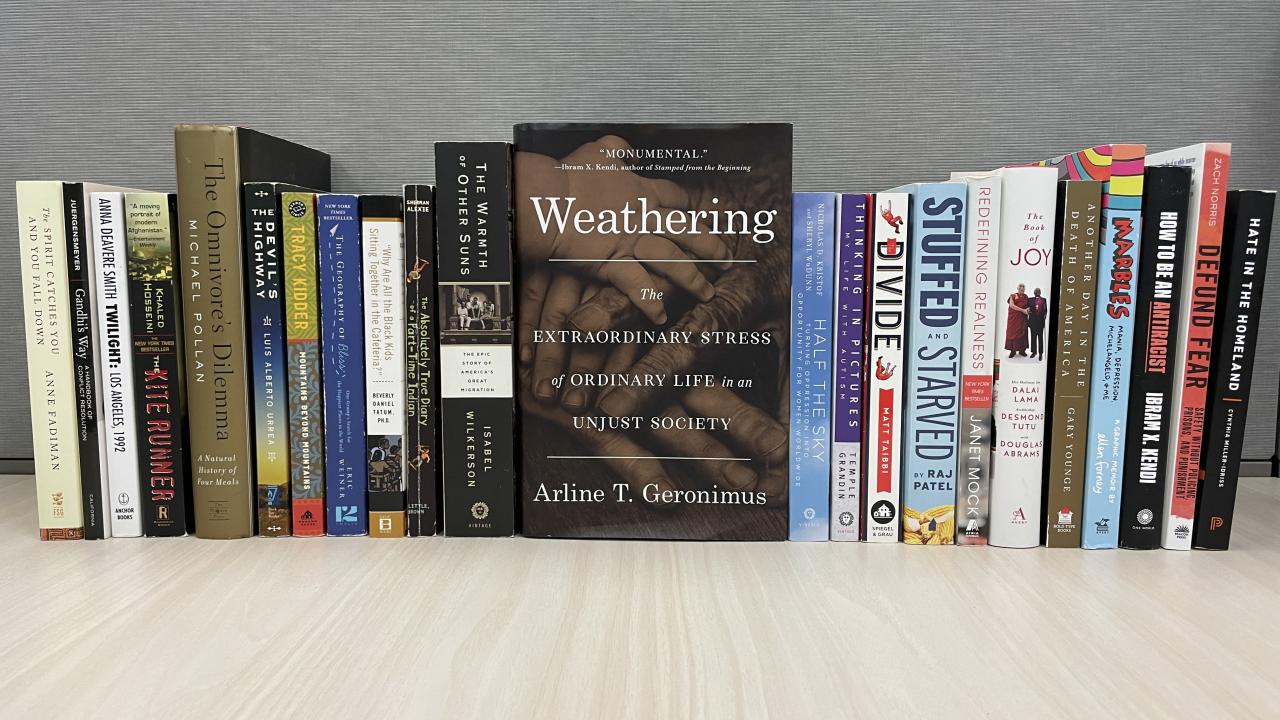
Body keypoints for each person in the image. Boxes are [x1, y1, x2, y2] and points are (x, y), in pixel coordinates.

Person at [1005, 283, 1030, 358]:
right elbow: (1011, 305)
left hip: (1022, 318)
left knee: (1023, 332)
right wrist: (1022, 310)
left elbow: (1028, 306)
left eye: (1023, 288)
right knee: (1013, 332)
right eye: (1020, 288)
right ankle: (1013, 351)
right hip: (1014, 319)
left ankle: (1022, 350)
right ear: (1018, 289)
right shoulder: (1013, 296)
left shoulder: (1026, 296)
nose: (1022, 290)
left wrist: (1028, 310)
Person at [1027, 287, 1048, 360]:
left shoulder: (1044, 300)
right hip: (1032, 322)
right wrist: (1028, 311)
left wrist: (1043, 319)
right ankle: (1033, 352)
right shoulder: (1030, 300)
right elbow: (1027, 308)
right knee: (1033, 337)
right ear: (1034, 292)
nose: (1037, 292)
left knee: (1040, 338)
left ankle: (1041, 353)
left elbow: (1045, 311)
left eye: (1038, 291)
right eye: (1036, 291)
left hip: (1040, 322)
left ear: (1040, 292)